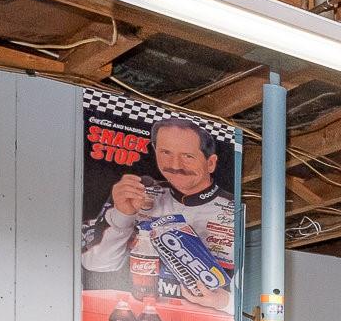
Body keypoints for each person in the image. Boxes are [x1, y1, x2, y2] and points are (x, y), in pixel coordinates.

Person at [81, 117, 236, 304]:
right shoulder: (139, 192)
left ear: (210, 163)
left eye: (188, 156)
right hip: (135, 318)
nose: (175, 165)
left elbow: (257, 295)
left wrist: (226, 302)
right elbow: (96, 264)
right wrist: (123, 215)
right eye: (166, 153)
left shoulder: (235, 211)